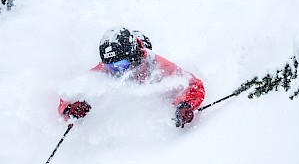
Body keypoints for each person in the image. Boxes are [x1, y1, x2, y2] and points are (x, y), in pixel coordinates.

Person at [59, 27, 205, 127]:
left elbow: (194, 85)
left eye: (121, 65)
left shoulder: (157, 65)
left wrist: (185, 105)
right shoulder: (104, 70)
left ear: (134, 56)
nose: (117, 71)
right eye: (111, 66)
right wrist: (71, 110)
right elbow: (68, 95)